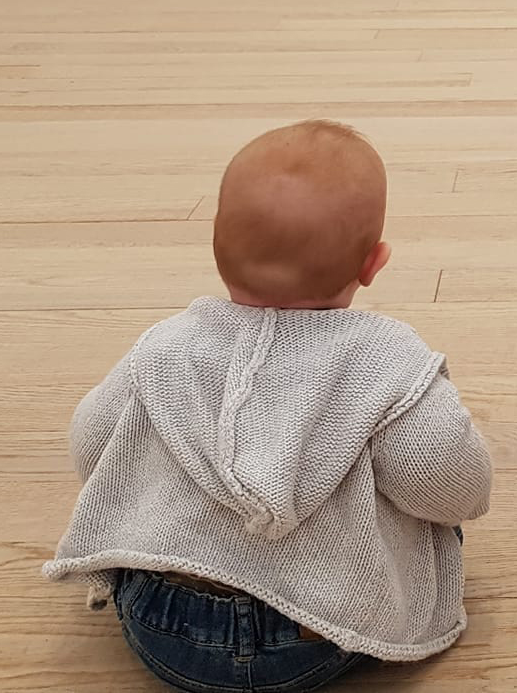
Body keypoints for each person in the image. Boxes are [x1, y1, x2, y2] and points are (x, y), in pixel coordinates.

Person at [45, 120, 493, 693]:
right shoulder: (386, 360)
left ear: (215, 243)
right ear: (373, 263)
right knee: (435, 526)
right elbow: (447, 481)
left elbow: (92, 442)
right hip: (311, 633)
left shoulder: (167, 346)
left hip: (161, 624)